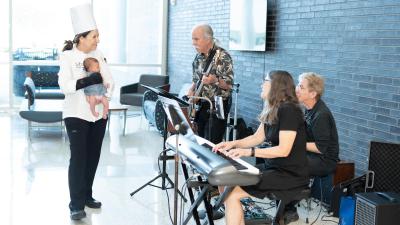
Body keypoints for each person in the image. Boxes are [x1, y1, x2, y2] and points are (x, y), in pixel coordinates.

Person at [213, 70, 309, 225]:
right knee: (225, 180)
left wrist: (248, 151)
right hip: (273, 168)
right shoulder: (273, 108)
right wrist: (232, 143)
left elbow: (283, 150)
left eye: (264, 80)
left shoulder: (289, 110)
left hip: (289, 174)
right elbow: (257, 137)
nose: (261, 84)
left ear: (275, 85)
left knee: (232, 195)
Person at [58, 3, 114, 220]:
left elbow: (110, 80)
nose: (97, 40)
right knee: (79, 158)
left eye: (98, 36)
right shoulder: (67, 57)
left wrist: (104, 96)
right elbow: (65, 86)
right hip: (75, 114)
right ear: (80, 38)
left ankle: (87, 195)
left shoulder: (99, 54)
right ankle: (76, 203)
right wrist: (86, 81)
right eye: (94, 36)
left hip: (98, 114)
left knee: (93, 157)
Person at [283, 72, 340, 222]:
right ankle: (284, 203)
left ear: (313, 93)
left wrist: (294, 144)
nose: (297, 89)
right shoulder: (309, 109)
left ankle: (289, 208)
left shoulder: (321, 115)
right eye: (298, 85)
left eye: (301, 87)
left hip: (324, 160)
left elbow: (320, 148)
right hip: (314, 155)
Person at [187, 24, 234, 144]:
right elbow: (196, 79)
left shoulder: (223, 56)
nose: (193, 43)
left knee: (213, 143)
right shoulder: (198, 57)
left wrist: (216, 80)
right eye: (192, 39)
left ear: (208, 39)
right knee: (200, 140)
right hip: (202, 104)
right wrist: (192, 89)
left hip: (218, 106)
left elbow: (229, 85)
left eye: (196, 39)